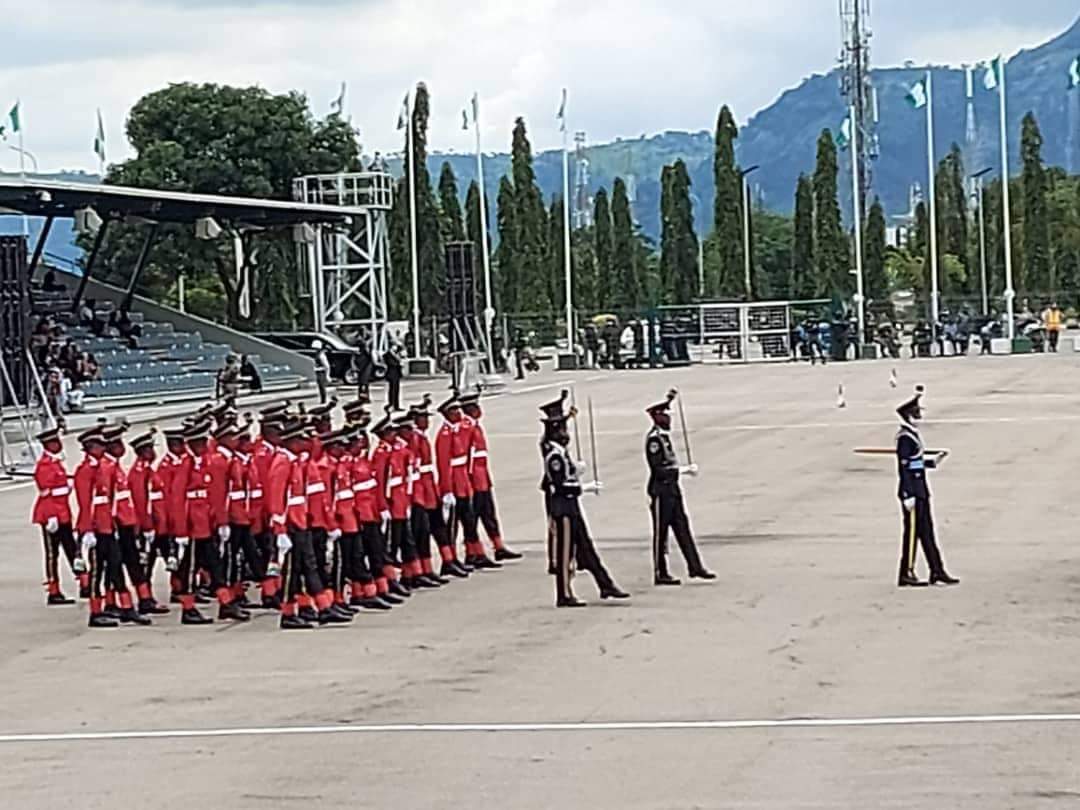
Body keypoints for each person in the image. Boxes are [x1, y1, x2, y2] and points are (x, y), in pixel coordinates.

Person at [538, 394, 629, 607]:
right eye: (562, 429)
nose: (565, 433)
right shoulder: (554, 456)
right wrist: (583, 487)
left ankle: (605, 584)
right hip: (563, 507)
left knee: (586, 547)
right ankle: (564, 594)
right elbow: (560, 486)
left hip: (571, 506)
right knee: (565, 553)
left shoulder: (561, 453)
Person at [643, 393, 716, 586]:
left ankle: (695, 566)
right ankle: (660, 572)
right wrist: (681, 470)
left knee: (683, 528)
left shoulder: (664, 438)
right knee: (661, 534)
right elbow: (658, 469)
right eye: (665, 415)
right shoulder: (654, 440)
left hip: (673, 490)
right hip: (660, 491)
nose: (669, 419)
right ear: (657, 417)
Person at [895, 386, 959, 588]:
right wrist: (907, 494)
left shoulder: (912, 435)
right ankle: (906, 572)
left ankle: (937, 571)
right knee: (912, 534)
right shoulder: (904, 438)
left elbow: (916, 462)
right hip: (912, 492)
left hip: (921, 490)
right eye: (917, 413)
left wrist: (931, 462)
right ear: (909, 415)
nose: (920, 416)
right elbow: (904, 467)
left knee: (927, 532)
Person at [102, 423, 155, 624]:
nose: (120, 447)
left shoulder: (115, 467)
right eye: (116, 444)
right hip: (115, 524)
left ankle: (144, 598)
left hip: (126, 522)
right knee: (114, 565)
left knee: (133, 561)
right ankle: (122, 605)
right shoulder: (106, 468)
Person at [460, 391, 521, 563]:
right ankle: (472, 552)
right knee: (472, 518)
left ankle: (498, 547)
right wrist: (469, 480)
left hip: (482, 478)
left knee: (489, 514)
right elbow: (466, 457)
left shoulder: (475, 425)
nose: (479, 409)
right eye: (475, 406)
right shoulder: (466, 428)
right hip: (473, 479)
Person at [32, 426, 87, 605]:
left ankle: (84, 582)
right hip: (51, 514)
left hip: (63, 513)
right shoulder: (44, 465)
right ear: (47, 445)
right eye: (54, 442)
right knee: (52, 553)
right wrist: (51, 516)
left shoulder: (55, 463)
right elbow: (46, 494)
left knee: (72, 549)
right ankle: (53, 590)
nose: (58, 445)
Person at [73, 426, 122, 628]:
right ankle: (95, 612)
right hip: (94, 527)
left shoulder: (100, 467)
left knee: (113, 563)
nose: (104, 448)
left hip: (106, 524)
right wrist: (87, 530)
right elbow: (85, 503)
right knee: (96, 571)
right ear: (90, 447)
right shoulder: (85, 471)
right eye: (100, 445)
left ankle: (109, 604)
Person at [383, 341, 403, 410]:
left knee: (396, 390)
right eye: (394, 346)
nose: (396, 347)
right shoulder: (387, 354)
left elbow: (401, 349)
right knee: (392, 390)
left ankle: (396, 405)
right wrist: (399, 364)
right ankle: (391, 404)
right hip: (391, 374)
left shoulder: (396, 354)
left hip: (397, 374)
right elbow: (391, 363)